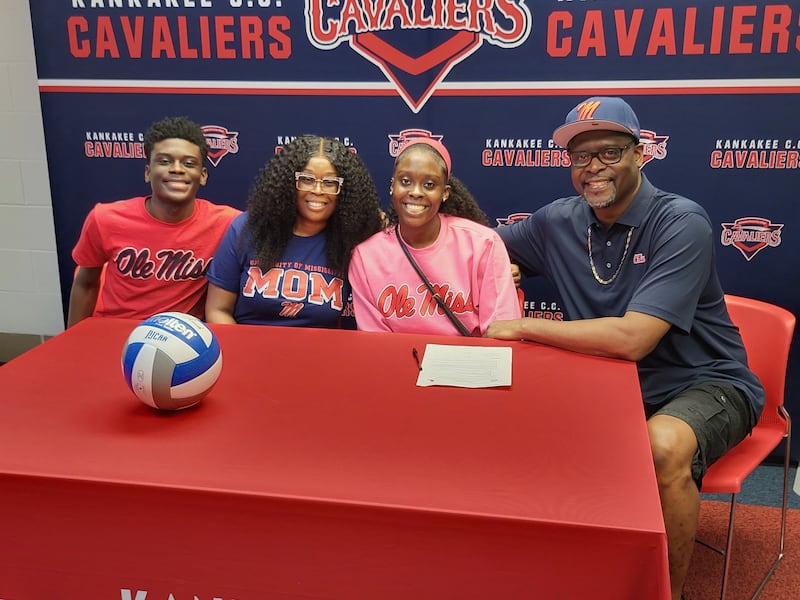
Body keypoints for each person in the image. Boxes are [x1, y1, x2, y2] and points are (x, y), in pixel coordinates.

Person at [486, 96, 764, 600]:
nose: (593, 168)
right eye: (580, 156)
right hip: (613, 391)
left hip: (708, 383)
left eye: (609, 153)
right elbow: (471, 248)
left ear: (641, 153)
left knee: (660, 446)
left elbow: (633, 338)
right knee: (510, 426)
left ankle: (666, 593)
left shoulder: (682, 221)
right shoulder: (557, 221)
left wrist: (523, 326)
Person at [68, 116, 240, 327]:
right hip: (116, 332)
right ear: (148, 172)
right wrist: (74, 341)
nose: (177, 169)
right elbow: (85, 284)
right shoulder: (105, 218)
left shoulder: (228, 223)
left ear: (203, 175)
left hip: (182, 341)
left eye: (188, 163)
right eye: (165, 161)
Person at [348, 136, 521, 335]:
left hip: (470, 363)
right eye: (405, 181)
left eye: (429, 185)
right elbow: (375, 343)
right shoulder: (366, 257)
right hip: (397, 362)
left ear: (444, 192)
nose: (416, 192)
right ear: (392, 185)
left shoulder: (483, 244)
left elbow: (501, 333)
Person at [205, 135, 383, 327]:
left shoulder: (353, 239)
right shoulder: (248, 228)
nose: (318, 190)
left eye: (330, 183)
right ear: (288, 183)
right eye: (306, 179)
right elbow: (218, 310)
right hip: (248, 351)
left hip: (318, 354)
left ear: (345, 190)